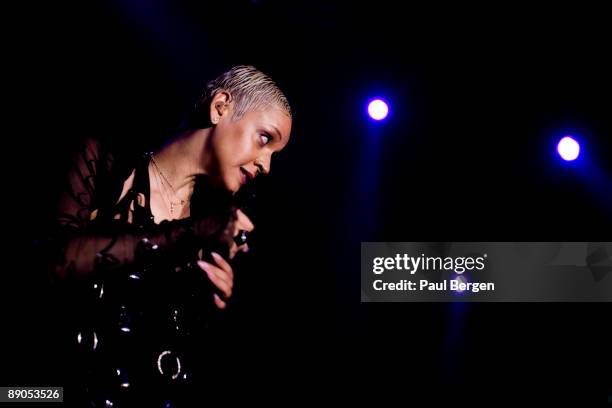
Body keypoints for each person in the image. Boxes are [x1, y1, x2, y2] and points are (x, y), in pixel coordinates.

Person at [46, 65, 292, 405]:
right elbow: (51, 262)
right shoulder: (104, 163)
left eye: (274, 155)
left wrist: (215, 312)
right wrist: (185, 235)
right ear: (220, 107)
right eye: (265, 138)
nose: (266, 165)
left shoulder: (219, 234)